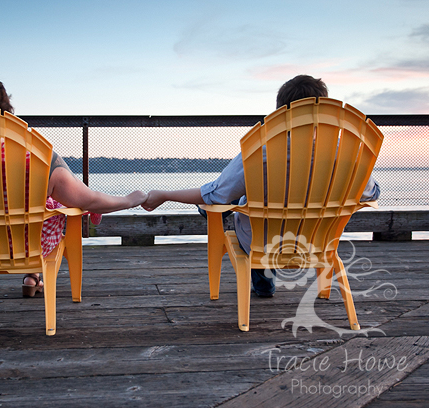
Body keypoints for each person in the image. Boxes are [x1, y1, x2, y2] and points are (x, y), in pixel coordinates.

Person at [0, 74, 147, 297]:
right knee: (52, 204)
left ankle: (29, 278)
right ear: (6, 111)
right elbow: (88, 200)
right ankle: (33, 272)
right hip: (28, 246)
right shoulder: (34, 154)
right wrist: (130, 199)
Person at [140, 75, 380, 297]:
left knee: (228, 200)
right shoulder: (350, 154)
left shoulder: (261, 152)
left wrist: (164, 194)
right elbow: (371, 193)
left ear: (282, 112)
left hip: (263, 243)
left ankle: (262, 277)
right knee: (243, 199)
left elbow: (215, 195)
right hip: (318, 241)